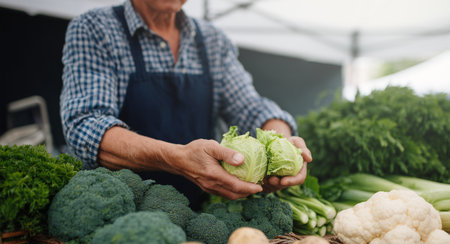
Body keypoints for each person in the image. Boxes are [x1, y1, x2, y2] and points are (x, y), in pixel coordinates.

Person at [60, 0, 312, 209]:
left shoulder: (213, 41)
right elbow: (86, 125)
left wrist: (280, 145)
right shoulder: (96, 28)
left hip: (198, 209)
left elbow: (250, 107)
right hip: (119, 209)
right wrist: (177, 158)